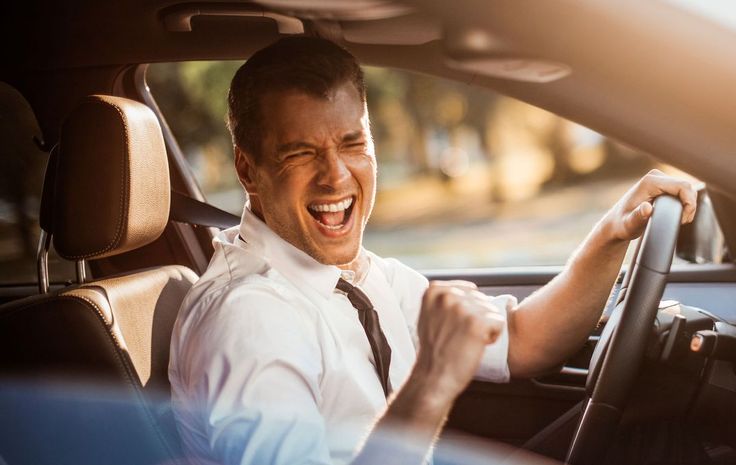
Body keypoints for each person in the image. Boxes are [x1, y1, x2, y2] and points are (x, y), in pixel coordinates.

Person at [168, 36, 697, 465]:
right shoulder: (250, 318)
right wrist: (435, 377)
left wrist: (612, 233)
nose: (336, 175)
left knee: (653, 431)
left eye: (353, 144)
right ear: (247, 172)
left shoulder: (356, 274)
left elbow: (520, 341)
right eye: (301, 153)